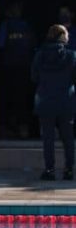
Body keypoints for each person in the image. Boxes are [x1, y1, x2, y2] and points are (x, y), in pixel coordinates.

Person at [32, 24, 76, 181]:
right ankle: (69, 169)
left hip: (45, 101)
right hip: (66, 101)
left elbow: (34, 77)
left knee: (48, 139)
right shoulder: (71, 56)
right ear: (63, 36)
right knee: (68, 138)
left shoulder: (40, 55)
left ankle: (49, 169)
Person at [0, 1, 36, 139]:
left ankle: (20, 128)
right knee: (18, 99)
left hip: (14, 68)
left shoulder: (11, 25)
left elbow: (0, 45)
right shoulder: (12, 25)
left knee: (16, 99)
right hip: (16, 68)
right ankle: (16, 129)